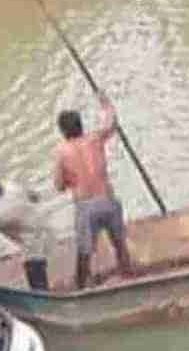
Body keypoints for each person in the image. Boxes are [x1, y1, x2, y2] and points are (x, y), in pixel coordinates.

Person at [53, 96, 134, 289]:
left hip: (86, 205)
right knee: (119, 243)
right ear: (81, 126)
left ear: (63, 131)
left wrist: (69, 181)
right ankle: (127, 274)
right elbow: (112, 122)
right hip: (108, 200)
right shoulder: (95, 139)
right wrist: (106, 103)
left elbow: (59, 185)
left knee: (84, 250)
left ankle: (81, 286)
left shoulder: (61, 152)